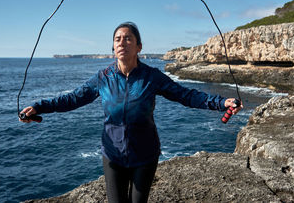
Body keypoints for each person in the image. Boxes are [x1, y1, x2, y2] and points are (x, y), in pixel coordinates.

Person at [20, 21, 243, 203]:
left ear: (138, 47)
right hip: (113, 154)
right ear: (113, 48)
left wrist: (221, 103)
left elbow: (186, 95)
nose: (122, 42)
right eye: (117, 39)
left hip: (145, 155)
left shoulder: (151, 77)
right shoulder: (103, 77)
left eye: (128, 38)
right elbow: (72, 98)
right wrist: (40, 107)